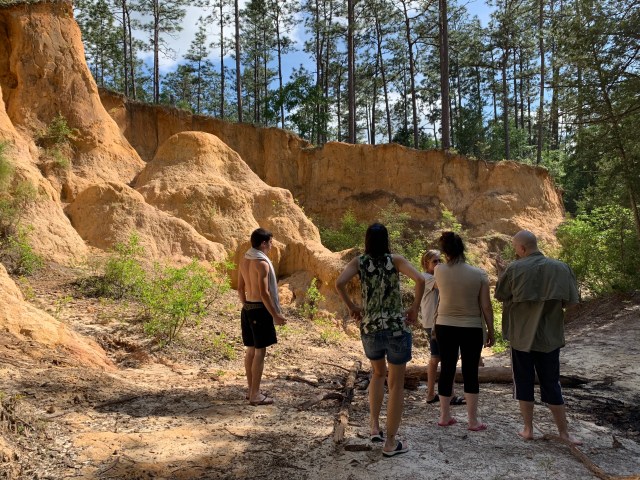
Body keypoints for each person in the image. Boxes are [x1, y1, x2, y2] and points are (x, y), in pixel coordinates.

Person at [336, 223, 425, 457]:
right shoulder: (395, 260)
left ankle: (374, 427)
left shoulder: (359, 262)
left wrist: (352, 307)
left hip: (371, 328)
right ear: (386, 240)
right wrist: (414, 309)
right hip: (395, 328)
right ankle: (391, 443)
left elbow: (339, 283)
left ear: (367, 240)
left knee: (377, 374)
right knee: (396, 384)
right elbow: (420, 280)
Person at [494, 230, 581, 444]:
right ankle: (564, 433)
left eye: (516, 249)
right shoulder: (561, 268)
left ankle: (528, 429)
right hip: (550, 337)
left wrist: (502, 273)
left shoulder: (514, 268)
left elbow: (500, 295)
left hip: (521, 337)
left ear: (522, 248)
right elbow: (572, 303)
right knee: (552, 383)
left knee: (523, 382)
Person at [434, 232, 494, 431]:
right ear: (463, 249)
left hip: (444, 325)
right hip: (471, 327)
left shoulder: (438, 270)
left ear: (445, 251)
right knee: (470, 371)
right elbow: (486, 306)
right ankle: (472, 421)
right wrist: (491, 330)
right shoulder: (479, 274)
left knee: (447, 369)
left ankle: (444, 416)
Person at [238, 228, 288, 406]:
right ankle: (255, 395)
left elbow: (240, 288)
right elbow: (264, 293)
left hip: (247, 308)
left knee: (251, 350)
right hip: (260, 309)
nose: (272, 246)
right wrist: (276, 315)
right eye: (270, 242)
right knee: (260, 352)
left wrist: (247, 306)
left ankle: (251, 390)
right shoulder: (262, 264)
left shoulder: (244, 259)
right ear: (264, 243)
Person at [419, 250, 465, 406]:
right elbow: (443, 285)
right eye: (435, 261)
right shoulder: (426, 277)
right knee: (447, 357)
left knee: (437, 358)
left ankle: (432, 394)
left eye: (440, 261)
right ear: (426, 263)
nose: (438, 264)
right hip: (435, 323)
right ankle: (448, 394)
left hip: (438, 321)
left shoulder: (433, 276)